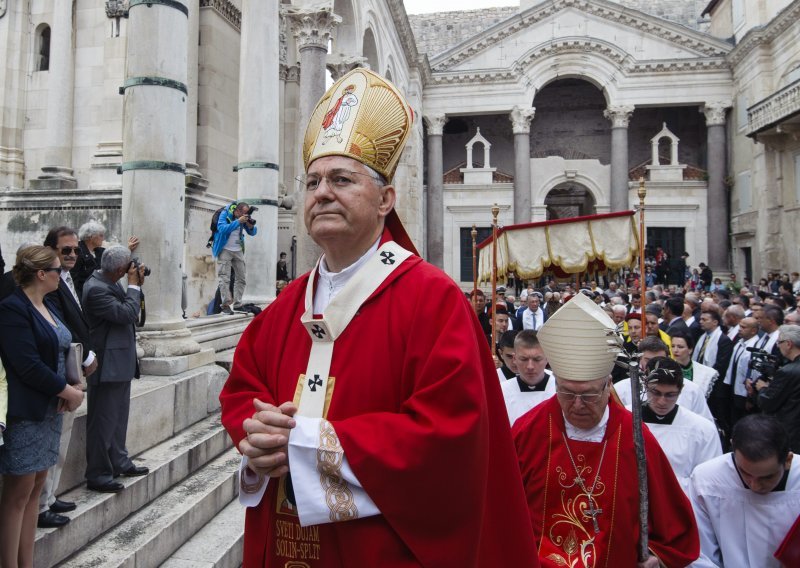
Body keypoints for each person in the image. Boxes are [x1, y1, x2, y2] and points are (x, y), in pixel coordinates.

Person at [219, 68, 538, 567]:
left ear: (387, 200)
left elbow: (449, 436)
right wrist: (254, 437)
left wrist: (306, 442)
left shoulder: (433, 302)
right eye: (313, 181)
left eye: (342, 179)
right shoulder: (284, 309)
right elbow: (242, 391)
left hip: (378, 549)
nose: (322, 192)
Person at [513, 293, 700, 567]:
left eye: (588, 395)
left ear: (607, 384)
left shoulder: (634, 436)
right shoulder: (528, 431)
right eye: (566, 392)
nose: (577, 405)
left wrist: (657, 557)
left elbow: (674, 522)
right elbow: (501, 509)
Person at [0, 246, 85, 568]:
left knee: (35, 490)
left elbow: (60, 348)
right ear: (40, 274)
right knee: (17, 495)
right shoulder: (12, 309)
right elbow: (27, 364)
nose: (61, 274)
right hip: (26, 412)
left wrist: (72, 382)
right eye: (56, 269)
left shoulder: (47, 305)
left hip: (51, 410)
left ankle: (27, 562)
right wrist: (66, 389)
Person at [36, 227, 99, 528]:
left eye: (75, 249)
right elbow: (58, 323)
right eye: (66, 251)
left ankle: (50, 496)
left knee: (62, 438)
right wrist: (86, 355)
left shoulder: (67, 278)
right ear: (50, 251)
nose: (74, 255)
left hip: (72, 370)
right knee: (53, 439)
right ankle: (40, 504)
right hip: (61, 370)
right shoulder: (48, 284)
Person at [689, 415, 800, 568]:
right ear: (733, 448)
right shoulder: (707, 480)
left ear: (787, 460)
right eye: (746, 473)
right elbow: (699, 552)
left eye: (767, 477)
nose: (755, 486)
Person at [82, 245, 150, 493]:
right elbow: (127, 313)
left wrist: (135, 285)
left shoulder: (108, 281)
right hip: (107, 366)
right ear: (121, 269)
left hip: (119, 363)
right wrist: (133, 285)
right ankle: (98, 474)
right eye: (128, 267)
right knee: (102, 422)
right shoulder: (96, 288)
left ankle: (119, 461)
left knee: (118, 419)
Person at [636, 357, 721, 492]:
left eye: (670, 395)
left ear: (681, 390)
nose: (662, 401)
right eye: (656, 393)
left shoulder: (702, 429)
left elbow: (710, 479)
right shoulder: (626, 420)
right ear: (645, 386)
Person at [615, 336, 714, 422]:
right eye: (648, 360)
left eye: (659, 359)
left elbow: (704, 423)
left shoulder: (692, 390)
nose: (654, 365)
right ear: (639, 359)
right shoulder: (621, 389)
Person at [752, 325, 800, 452]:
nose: (778, 346)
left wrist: (762, 388)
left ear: (789, 344)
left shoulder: (787, 372)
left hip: (790, 431)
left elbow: (767, 403)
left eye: (779, 342)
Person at [71, 220, 139, 299]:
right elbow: (73, 280)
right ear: (91, 237)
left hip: (101, 293)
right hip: (85, 297)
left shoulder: (100, 251)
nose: (103, 238)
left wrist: (128, 249)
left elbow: (116, 260)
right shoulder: (77, 252)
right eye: (101, 235)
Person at [211, 201, 257, 315]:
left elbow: (253, 233)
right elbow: (221, 228)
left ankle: (238, 304)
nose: (245, 216)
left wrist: (251, 227)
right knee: (224, 278)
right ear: (237, 211)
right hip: (224, 249)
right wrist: (238, 222)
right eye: (244, 213)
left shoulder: (242, 218)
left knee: (241, 278)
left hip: (238, 250)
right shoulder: (225, 213)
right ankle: (225, 305)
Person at [500, 330, 554, 425]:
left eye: (537, 359)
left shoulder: (560, 389)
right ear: (514, 359)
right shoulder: (501, 391)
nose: (530, 366)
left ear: (547, 358)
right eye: (524, 359)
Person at [670, 331, 719, 399]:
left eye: (680, 347)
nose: (675, 350)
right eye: (672, 346)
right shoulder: (666, 368)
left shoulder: (705, 372)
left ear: (690, 350)